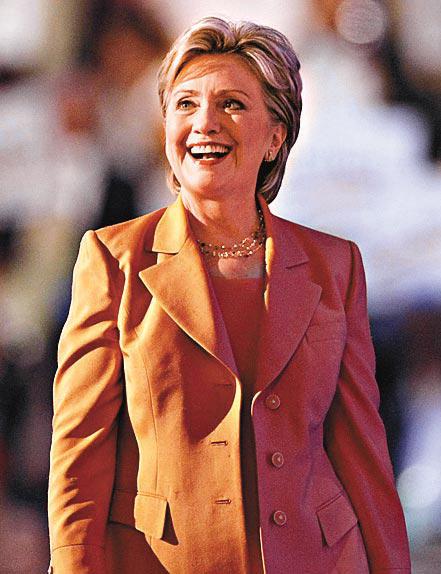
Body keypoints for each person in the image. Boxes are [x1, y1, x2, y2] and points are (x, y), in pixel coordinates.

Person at [48, 17, 411, 574]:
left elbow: (362, 452)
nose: (205, 123)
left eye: (232, 104)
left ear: (275, 136)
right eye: (186, 104)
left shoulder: (335, 266)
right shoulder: (112, 259)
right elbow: (80, 453)